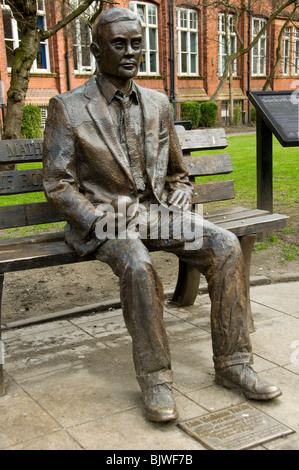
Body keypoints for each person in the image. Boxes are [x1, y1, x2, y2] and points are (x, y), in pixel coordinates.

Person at [43, 7, 282, 423]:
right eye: (120, 44)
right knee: (137, 264)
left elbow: (178, 174)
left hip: (157, 216)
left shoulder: (157, 103)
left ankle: (234, 363)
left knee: (224, 245)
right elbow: (58, 184)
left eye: (138, 43)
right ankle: (155, 377)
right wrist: (98, 222)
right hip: (109, 219)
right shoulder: (68, 107)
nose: (132, 52)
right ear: (97, 49)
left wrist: (181, 195)